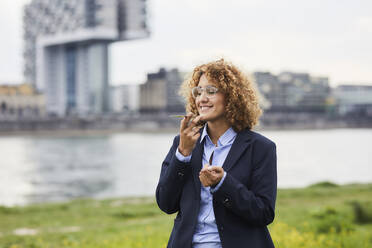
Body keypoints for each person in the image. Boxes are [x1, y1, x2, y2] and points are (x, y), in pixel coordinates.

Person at [156, 59, 277, 248]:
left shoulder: (261, 147)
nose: (202, 98)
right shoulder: (183, 143)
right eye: (198, 92)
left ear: (232, 97)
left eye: (211, 91)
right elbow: (166, 203)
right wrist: (183, 154)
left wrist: (223, 183)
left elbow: (263, 213)